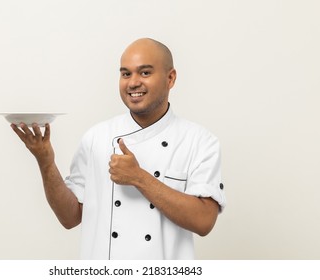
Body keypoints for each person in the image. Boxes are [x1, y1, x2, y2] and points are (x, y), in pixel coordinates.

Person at [11, 38, 226, 259]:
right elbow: (70, 217)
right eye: (125, 74)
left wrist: (139, 177)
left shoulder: (199, 141)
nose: (133, 83)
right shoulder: (96, 138)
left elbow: (204, 222)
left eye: (144, 73)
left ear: (170, 78)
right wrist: (45, 162)